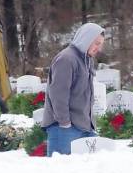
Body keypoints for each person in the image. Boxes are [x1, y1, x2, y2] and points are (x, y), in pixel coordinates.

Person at [42, 22, 105, 156]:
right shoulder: (66, 59)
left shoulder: (86, 59)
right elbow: (58, 95)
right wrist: (64, 122)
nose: (98, 48)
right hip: (64, 128)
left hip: (85, 126)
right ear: (86, 39)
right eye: (96, 43)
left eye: (100, 44)